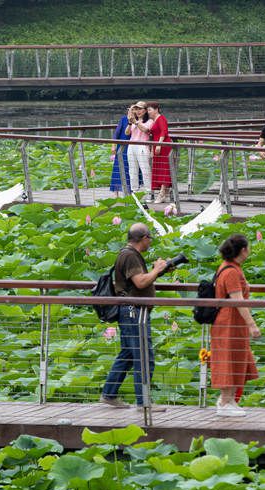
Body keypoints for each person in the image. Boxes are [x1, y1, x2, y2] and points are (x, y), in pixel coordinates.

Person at [100, 223, 167, 411]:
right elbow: (140, 282)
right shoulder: (130, 255)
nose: (150, 242)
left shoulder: (127, 253)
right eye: (150, 238)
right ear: (144, 238)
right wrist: (157, 269)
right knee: (144, 356)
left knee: (128, 355)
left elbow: (139, 282)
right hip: (133, 313)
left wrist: (157, 271)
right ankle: (144, 403)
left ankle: (109, 394)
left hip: (129, 311)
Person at [211, 234, 260, 417]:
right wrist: (252, 325)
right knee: (228, 359)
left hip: (232, 321)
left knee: (235, 357)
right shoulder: (231, 271)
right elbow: (238, 301)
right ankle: (224, 402)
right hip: (229, 322)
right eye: (248, 247)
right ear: (243, 250)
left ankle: (229, 400)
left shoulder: (231, 267)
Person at [126, 102, 154, 197]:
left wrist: (136, 122)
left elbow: (146, 130)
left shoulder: (149, 121)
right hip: (132, 146)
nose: (138, 111)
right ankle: (135, 192)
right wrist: (130, 122)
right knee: (132, 170)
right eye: (136, 109)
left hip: (142, 146)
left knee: (145, 170)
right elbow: (127, 133)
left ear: (145, 110)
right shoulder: (134, 121)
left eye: (140, 109)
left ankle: (149, 192)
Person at [147, 102, 172, 204]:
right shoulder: (154, 120)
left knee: (164, 169)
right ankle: (164, 193)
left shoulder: (161, 118)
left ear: (156, 109)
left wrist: (159, 144)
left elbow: (164, 131)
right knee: (159, 168)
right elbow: (153, 134)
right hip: (157, 145)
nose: (148, 112)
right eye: (148, 110)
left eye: (150, 110)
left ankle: (162, 194)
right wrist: (153, 148)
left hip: (163, 146)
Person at [109, 107, 133, 196]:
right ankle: (116, 192)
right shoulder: (123, 119)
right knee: (117, 168)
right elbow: (117, 133)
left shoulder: (136, 121)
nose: (132, 111)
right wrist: (113, 145)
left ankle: (129, 192)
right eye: (131, 109)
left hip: (131, 147)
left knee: (129, 170)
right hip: (121, 147)